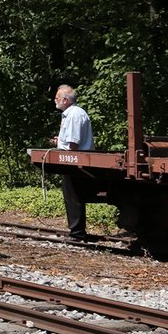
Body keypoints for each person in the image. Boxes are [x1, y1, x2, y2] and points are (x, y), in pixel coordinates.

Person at [52, 83, 94, 239]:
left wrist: (68, 158)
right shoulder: (72, 113)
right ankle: (76, 230)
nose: (54, 100)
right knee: (72, 195)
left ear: (65, 100)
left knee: (74, 196)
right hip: (74, 160)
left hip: (74, 161)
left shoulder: (74, 114)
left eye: (56, 98)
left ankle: (77, 233)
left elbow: (74, 144)